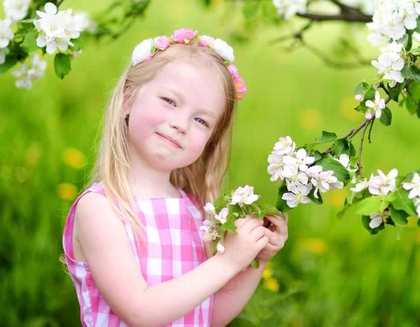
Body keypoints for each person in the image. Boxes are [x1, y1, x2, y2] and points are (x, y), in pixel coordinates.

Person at [61, 28, 288, 327]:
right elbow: (140, 311)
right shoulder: (102, 209)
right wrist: (228, 261)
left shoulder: (196, 211)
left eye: (200, 120)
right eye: (170, 101)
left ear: (211, 139)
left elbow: (209, 316)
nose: (181, 124)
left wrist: (255, 257)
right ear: (128, 98)